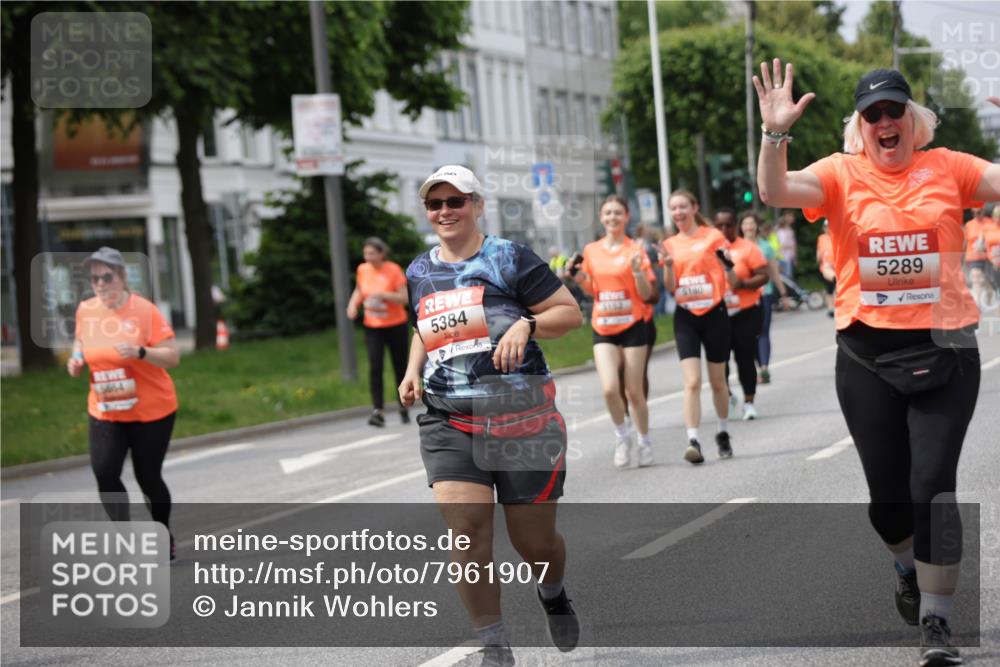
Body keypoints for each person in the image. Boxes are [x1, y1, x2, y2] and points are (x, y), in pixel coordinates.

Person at [755, 61, 1000, 666]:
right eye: (873, 114)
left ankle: (938, 625)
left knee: (933, 487)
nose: (885, 122)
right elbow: (776, 192)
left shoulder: (949, 166)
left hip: (947, 351)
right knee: (888, 501)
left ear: (911, 120)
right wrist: (775, 135)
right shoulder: (839, 175)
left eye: (895, 111)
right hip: (866, 355)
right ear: (860, 126)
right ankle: (905, 566)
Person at [399, 165, 583, 666]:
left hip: (521, 414)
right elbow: (423, 327)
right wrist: (413, 370)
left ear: (477, 204)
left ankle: (553, 591)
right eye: (434, 205)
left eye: (454, 202)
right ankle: (495, 646)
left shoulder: (509, 257)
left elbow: (569, 313)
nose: (444, 212)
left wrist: (527, 324)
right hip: (449, 418)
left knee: (534, 542)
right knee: (467, 533)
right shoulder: (418, 271)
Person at [66, 247, 180, 561]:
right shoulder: (86, 310)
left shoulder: (144, 310)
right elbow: (81, 341)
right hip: (105, 408)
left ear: (122, 277)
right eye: (95, 278)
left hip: (151, 409)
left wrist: (141, 352)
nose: (101, 284)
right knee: (104, 471)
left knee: (148, 477)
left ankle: (162, 535)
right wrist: (76, 359)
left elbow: (173, 356)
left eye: (107, 277)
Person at [571, 195, 658, 468]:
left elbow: (646, 295)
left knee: (634, 391)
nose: (612, 218)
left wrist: (638, 273)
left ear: (626, 217)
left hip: (633, 324)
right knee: (610, 388)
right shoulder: (592, 250)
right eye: (608, 213)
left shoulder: (635, 249)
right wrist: (577, 278)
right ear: (601, 217)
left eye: (618, 213)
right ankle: (623, 436)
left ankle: (644, 441)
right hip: (604, 325)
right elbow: (591, 289)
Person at [660, 191, 734, 463]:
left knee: (718, 382)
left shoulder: (712, 236)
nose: (678, 213)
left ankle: (723, 432)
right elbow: (669, 287)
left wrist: (728, 266)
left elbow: (732, 277)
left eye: (682, 207)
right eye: (673, 209)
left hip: (714, 313)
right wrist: (668, 266)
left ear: (694, 207)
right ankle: (693, 440)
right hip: (686, 316)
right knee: (691, 382)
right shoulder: (668, 244)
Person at [347, 237, 411, 427]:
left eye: (372, 253)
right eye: (366, 253)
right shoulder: (362, 269)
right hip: (373, 326)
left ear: (382, 253)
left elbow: (404, 298)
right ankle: (378, 411)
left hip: (396, 325)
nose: (368, 257)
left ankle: (403, 406)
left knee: (400, 367)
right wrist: (352, 305)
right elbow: (359, 290)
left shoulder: (393, 269)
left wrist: (384, 295)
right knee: (375, 367)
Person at [714, 209, 769, 420]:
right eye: (719, 226)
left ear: (734, 225)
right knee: (720, 361)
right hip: (719, 313)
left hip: (746, 311)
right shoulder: (710, 250)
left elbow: (764, 276)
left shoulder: (747, 248)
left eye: (728, 225)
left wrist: (743, 284)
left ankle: (749, 401)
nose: (724, 230)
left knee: (745, 357)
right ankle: (726, 394)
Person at [740, 212, 790, 385]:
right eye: (745, 224)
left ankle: (764, 368)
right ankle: (755, 365)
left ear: (756, 226)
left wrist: (783, 294)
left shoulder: (766, 247)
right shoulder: (736, 247)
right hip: (744, 297)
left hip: (765, 294)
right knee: (748, 335)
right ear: (741, 227)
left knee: (763, 331)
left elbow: (774, 273)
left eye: (751, 224)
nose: (748, 227)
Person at [816, 219, 837, 317]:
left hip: (836, 266)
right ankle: (830, 308)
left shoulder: (836, 236)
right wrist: (819, 261)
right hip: (826, 267)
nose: (827, 228)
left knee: (837, 287)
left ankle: (837, 306)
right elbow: (819, 252)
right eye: (826, 226)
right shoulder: (822, 238)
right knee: (829, 288)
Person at [776, 211, 797, 278]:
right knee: (783, 277)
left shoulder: (790, 231)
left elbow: (793, 245)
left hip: (788, 257)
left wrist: (794, 257)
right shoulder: (779, 231)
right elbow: (780, 244)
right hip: (781, 257)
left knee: (788, 276)